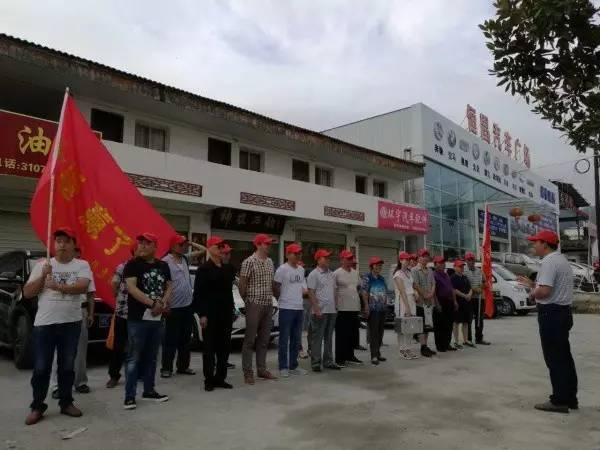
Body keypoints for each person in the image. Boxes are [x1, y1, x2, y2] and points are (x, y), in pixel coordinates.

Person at [23, 227, 92, 425]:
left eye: (66, 241)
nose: (62, 244)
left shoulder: (82, 264)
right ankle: (37, 406)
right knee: (41, 367)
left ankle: (66, 402)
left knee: (67, 366)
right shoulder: (43, 265)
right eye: (58, 241)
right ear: (53, 244)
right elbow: (27, 293)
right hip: (45, 324)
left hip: (71, 323)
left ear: (74, 245)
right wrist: (43, 277)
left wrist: (57, 286)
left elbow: (82, 286)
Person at [518, 230, 578, 414]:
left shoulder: (549, 262)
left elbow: (544, 291)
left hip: (551, 313)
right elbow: (550, 286)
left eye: (536, 242)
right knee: (564, 356)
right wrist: (532, 284)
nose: (533, 245)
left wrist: (532, 293)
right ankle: (570, 397)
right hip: (563, 312)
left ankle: (559, 401)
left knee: (554, 358)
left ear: (545, 244)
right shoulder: (561, 260)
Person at [123, 232, 172, 410]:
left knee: (152, 357)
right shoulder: (132, 264)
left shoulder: (163, 265)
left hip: (157, 318)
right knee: (134, 358)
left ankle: (149, 390)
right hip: (138, 318)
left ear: (155, 247)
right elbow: (131, 288)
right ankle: (130, 396)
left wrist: (163, 303)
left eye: (147, 243)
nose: (142, 245)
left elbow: (169, 286)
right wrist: (152, 303)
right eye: (140, 242)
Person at [50, 247, 95, 398]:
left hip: (80, 311)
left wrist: (91, 313)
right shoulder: (53, 268)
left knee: (80, 350)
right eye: (75, 253)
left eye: (78, 254)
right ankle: (56, 386)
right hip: (59, 310)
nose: (77, 256)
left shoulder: (84, 268)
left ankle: (80, 382)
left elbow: (90, 294)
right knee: (58, 351)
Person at [194, 236, 236, 391]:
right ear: (210, 248)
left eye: (221, 246)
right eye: (217, 246)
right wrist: (202, 314)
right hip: (210, 314)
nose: (220, 249)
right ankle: (209, 379)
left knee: (224, 348)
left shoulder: (228, 268)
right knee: (209, 349)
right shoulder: (204, 269)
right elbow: (199, 294)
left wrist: (232, 310)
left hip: (226, 314)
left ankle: (220, 378)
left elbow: (230, 292)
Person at [160, 235, 205, 378]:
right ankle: (166, 368)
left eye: (185, 244)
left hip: (187, 305)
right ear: (173, 247)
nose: (184, 246)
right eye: (181, 244)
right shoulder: (165, 262)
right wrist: (164, 303)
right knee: (170, 339)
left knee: (185, 339)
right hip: (173, 306)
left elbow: (204, 250)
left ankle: (183, 367)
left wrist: (190, 243)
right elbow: (162, 284)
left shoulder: (185, 258)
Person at [239, 234, 277, 384]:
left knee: (264, 339)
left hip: (268, 303)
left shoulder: (270, 262)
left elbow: (272, 283)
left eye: (269, 244)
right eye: (266, 243)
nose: (269, 246)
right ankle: (248, 372)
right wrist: (248, 302)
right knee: (250, 339)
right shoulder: (248, 262)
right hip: (254, 303)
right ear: (258, 244)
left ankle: (261, 369)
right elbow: (242, 285)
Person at [273, 243, 309, 377]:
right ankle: (283, 366)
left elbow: (303, 288)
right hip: (286, 308)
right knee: (284, 339)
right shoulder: (282, 269)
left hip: (299, 307)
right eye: (295, 253)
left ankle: (294, 365)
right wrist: (281, 300)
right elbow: (275, 287)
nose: (298, 255)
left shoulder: (301, 269)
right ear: (288, 254)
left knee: (296, 338)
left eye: (300, 253)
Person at [106, 244, 138, 388]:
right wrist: (118, 296)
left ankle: (136, 374)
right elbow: (114, 283)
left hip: (140, 314)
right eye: (139, 248)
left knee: (137, 346)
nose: (142, 250)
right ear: (134, 251)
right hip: (123, 313)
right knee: (118, 346)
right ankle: (114, 375)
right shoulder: (123, 266)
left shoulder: (147, 267)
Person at [307, 249, 340, 372]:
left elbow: (334, 290)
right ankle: (316, 362)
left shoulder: (332, 274)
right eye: (325, 258)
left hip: (331, 311)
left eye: (328, 258)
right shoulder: (314, 274)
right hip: (320, 311)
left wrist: (336, 307)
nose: (328, 260)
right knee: (317, 338)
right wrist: (316, 309)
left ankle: (328, 361)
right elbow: (311, 292)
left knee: (329, 337)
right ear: (318, 259)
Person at [334, 250, 364, 366]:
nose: (351, 260)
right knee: (342, 334)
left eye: (351, 258)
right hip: (342, 308)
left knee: (352, 334)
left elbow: (359, 287)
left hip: (354, 307)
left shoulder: (355, 273)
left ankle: (350, 356)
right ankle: (340, 358)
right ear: (342, 260)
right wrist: (335, 305)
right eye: (348, 258)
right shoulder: (336, 273)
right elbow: (333, 290)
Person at [361, 256, 389, 365]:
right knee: (374, 333)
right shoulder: (367, 278)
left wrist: (386, 303)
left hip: (382, 308)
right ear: (372, 266)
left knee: (380, 332)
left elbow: (385, 291)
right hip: (373, 309)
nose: (379, 267)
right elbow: (364, 292)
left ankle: (378, 353)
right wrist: (366, 306)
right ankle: (373, 356)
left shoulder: (382, 278)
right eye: (377, 265)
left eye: (380, 265)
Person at [411, 249, 437, 357]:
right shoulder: (414, 270)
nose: (425, 258)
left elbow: (433, 283)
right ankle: (422, 347)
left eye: (427, 256)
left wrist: (431, 293)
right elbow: (415, 284)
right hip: (420, 303)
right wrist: (425, 295)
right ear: (419, 258)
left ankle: (425, 345)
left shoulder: (430, 270)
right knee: (421, 325)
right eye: (423, 256)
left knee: (428, 325)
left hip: (430, 302)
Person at [392, 252, 419, 359]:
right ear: (400, 260)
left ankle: (408, 348)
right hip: (402, 301)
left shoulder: (409, 272)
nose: (408, 261)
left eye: (409, 259)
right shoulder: (398, 274)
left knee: (410, 326)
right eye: (406, 259)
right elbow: (402, 291)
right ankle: (402, 349)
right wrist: (407, 307)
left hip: (411, 300)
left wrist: (415, 292)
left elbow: (411, 286)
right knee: (402, 326)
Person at [431, 256, 457, 352]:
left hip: (449, 301)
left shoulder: (446, 275)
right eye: (440, 263)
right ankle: (440, 345)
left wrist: (455, 301)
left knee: (449, 324)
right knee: (439, 325)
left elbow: (451, 289)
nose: (443, 264)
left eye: (443, 262)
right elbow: (434, 292)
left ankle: (447, 343)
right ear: (435, 264)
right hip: (440, 301)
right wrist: (437, 304)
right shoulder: (434, 275)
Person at [464, 252, 490, 346]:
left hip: (480, 298)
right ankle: (468, 339)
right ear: (466, 261)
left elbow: (485, 283)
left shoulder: (480, 271)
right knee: (469, 319)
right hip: (470, 298)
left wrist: (481, 287)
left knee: (479, 319)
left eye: (472, 260)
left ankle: (479, 338)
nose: (471, 261)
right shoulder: (464, 271)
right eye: (469, 260)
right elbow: (465, 284)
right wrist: (475, 289)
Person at [450, 260, 473, 349]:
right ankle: (456, 341)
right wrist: (464, 295)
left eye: (462, 266)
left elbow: (470, 288)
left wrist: (469, 294)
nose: (462, 268)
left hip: (467, 302)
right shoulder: (453, 278)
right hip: (458, 302)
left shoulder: (465, 277)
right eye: (460, 266)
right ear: (455, 267)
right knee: (456, 322)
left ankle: (465, 340)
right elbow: (454, 290)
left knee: (466, 322)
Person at [221, 243, 237, 370]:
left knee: (226, 336)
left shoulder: (231, 268)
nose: (228, 256)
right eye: (225, 253)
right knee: (216, 336)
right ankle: (214, 360)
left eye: (229, 253)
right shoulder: (213, 267)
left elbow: (234, 282)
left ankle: (224, 361)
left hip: (228, 304)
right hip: (216, 306)